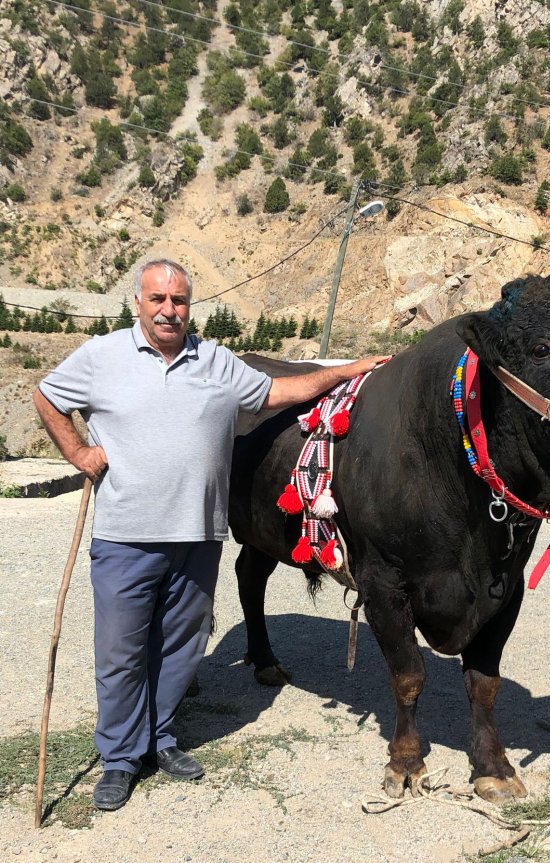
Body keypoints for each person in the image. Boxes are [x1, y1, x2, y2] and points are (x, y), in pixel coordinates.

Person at [34, 258, 383, 812]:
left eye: (179, 301)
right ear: (138, 303)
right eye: (158, 300)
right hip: (125, 536)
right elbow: (47, 396)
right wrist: (77, 451)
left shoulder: (216, 361)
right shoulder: (103, 356)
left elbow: (278, 393)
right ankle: (121, 759)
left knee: (181, 647)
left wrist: (343, 372)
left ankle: (163, 739)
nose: (169, 310)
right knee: (122, 654)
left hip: (198, 536)